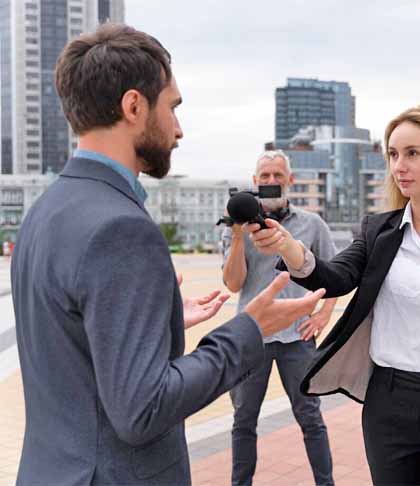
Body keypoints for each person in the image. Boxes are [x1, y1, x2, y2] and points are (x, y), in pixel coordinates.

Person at [10, 23, 325, 486]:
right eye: (172, 107)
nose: (179, 129)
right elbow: (143, 409)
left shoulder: (44, 212)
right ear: (134, 106)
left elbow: (71, 345)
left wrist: (159, 323)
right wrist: (249, 329)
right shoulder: (120, 228)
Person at [245, 105, 420, 485]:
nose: (399, 166)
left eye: (412, 153)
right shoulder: (378, 232)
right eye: (393, 154)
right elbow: (335, 278)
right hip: (391, 403)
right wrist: (287, 246)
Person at [222, 150, 337, 486]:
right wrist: (238, 234)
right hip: (251, 335)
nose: (271, 181)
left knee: (310, 418)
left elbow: (335, 275)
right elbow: (233, 283)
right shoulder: (236, 224)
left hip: (297, 337)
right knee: (243, 421)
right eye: (265, 176)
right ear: (255, 181)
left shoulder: (312, 224)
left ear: (290, 180)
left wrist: (323, 315)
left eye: (277, 175)